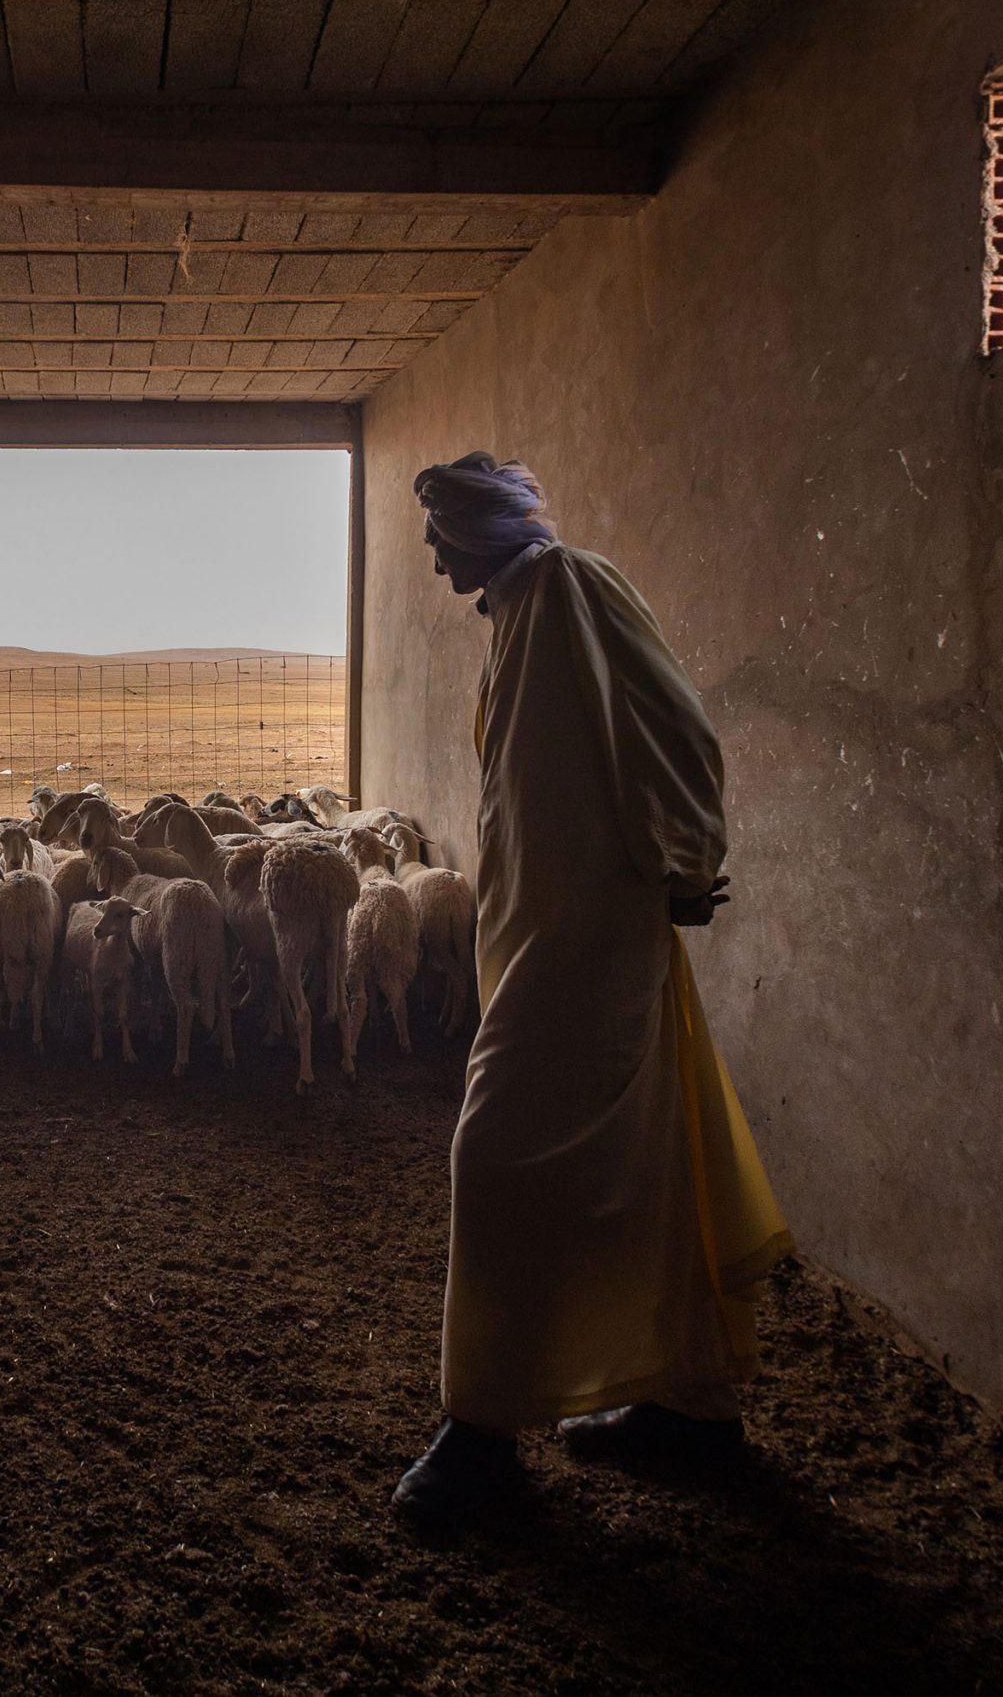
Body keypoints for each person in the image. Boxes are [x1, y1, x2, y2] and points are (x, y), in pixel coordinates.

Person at [391, 453, 795, 1534]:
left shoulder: (568, 586)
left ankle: (479, 1433)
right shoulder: (520, 610)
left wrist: (686, 858)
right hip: (541, 933)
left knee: (495, 1154)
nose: (432, 553)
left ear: (488, 525)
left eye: (442, 529)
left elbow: (676, 727)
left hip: (588, 943)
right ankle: (689, 1405)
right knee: (643, 1160)